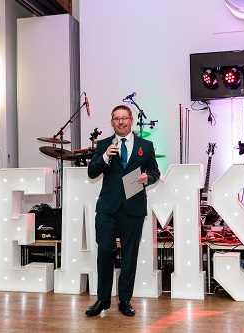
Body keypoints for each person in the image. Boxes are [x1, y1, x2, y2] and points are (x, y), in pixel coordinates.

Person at [85, 105, 160, 317]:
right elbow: (91, 173)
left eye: (124, 118)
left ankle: (125, 300)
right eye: (116, 119)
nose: (120, 122)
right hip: (108, 208)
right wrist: (105, 157)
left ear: (131, 120)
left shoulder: (146, 145)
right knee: (105, 251)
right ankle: (102, 299)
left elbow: (154, 170)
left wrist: (149, 178)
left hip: (133, 207)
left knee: (130, 255)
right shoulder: (103, 145)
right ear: (112, 122)